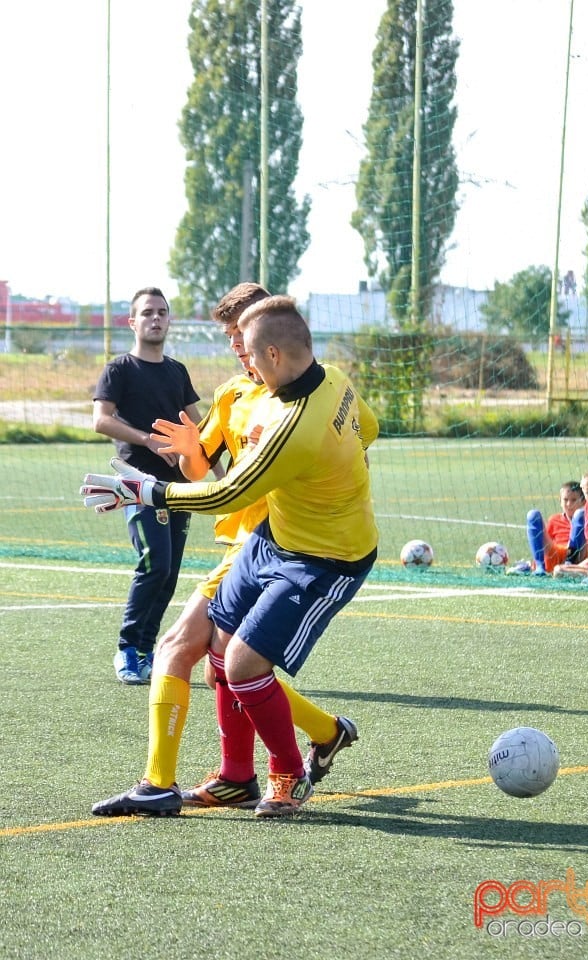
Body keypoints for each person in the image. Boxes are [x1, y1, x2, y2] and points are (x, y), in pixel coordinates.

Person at [82, 294, 379, 818]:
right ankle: (242, 774)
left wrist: (149, 492)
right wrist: (193, 454)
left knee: (231, 662)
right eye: (228, 338)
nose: (236, 349)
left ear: (272, 349)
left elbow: (226, 494)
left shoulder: (293, 421)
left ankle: (285, 773)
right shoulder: (310, 383)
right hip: (270, 537)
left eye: (242, 340)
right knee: (220, 656)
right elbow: (365, 430)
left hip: (323, 556)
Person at [92, 287, 201, 684]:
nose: (156, 318)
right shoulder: (118, 370)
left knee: (169, 571)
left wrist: (221, 470)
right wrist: (150, 439)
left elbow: (197, 428)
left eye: (162, 313)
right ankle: (126, 649)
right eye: (148, 313)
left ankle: (145, 651)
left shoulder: (177, 371)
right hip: (139, 483)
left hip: (179, 487)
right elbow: (101, 420)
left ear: (169, 321)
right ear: (133, 322)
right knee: (154, 563)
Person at [507, 480, 586, 576]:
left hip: (577, 557)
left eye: (574, 500)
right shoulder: (554, 520)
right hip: (556, 555)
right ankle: (539, 567)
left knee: (580, 515)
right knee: (533, 515)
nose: (569, 504)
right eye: (565, 500)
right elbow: (545, 545)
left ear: (583, 501)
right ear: (560, 501)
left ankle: (569, 563)